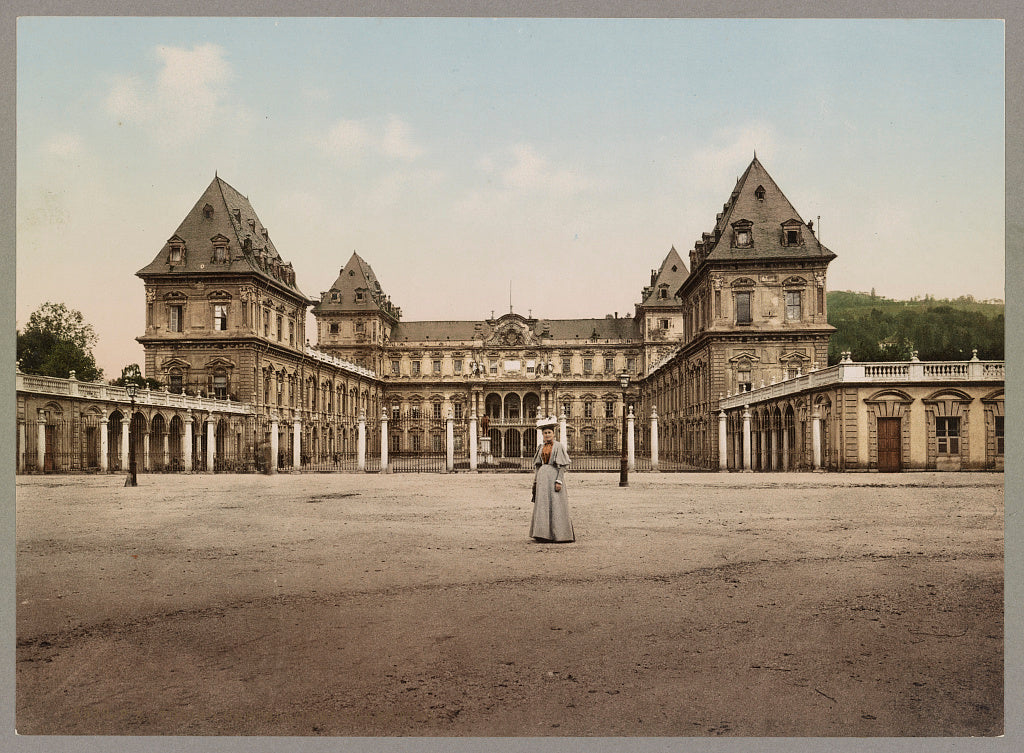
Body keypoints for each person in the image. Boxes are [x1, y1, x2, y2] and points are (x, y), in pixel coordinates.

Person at [529, 417, 575, 543]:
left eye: (549, 432)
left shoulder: (558, 446)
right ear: (542, 434)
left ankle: (560, 534)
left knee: (556, 504)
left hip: (554, 476)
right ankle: (542, 534)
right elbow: (537, 465)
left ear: (553, 434)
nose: (547, 435)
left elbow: (563, 465)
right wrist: (535, 481)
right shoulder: (540, 447)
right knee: (542, 505)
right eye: (545, 433)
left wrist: (559, 481)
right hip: (542, 478)